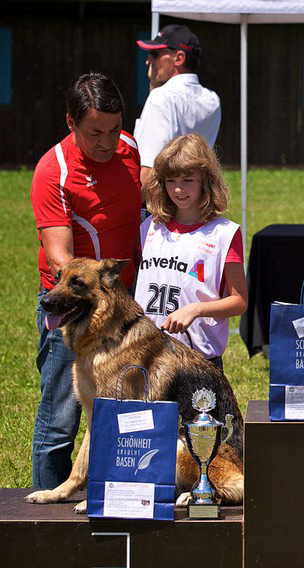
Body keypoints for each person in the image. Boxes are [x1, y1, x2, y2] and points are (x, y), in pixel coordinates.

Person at [31, 72, 141, 488]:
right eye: (95, 132)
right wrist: (98, 290)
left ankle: (114, 497)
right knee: (61, 418)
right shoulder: (52, 171)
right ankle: (47, 519)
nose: (108, 142)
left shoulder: (129, 149)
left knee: (123, 409)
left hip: (123, 303)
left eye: (114, 129)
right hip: (73, 305)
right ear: (70, 123)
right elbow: (62, 262)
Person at [134, 133, 247, 371]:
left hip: (198, 360)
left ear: (205, 181)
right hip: (147, 355)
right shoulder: (149, 228)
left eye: (188, 180)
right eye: (170, 180)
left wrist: (195, 309)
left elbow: (239, 301)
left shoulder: (224, 234)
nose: (178, 189)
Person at [134, 24, 221, 186]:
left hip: (162, 203)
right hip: (196, 197)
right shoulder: (212, 100)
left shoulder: (161, 97)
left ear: (179, 58)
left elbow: (148, 172)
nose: (148, 61)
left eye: (155, 54)